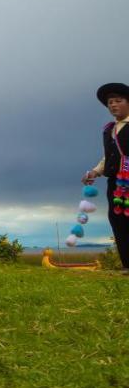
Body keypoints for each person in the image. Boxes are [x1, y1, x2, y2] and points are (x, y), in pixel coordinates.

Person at [82, 82, 129, 270]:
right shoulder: (109, 129)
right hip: (116, 183)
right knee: (118, 221)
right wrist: (95, 171)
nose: (113, 105)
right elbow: (109, 156)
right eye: (110, 102)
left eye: (118, 100)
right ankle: (127, 266)